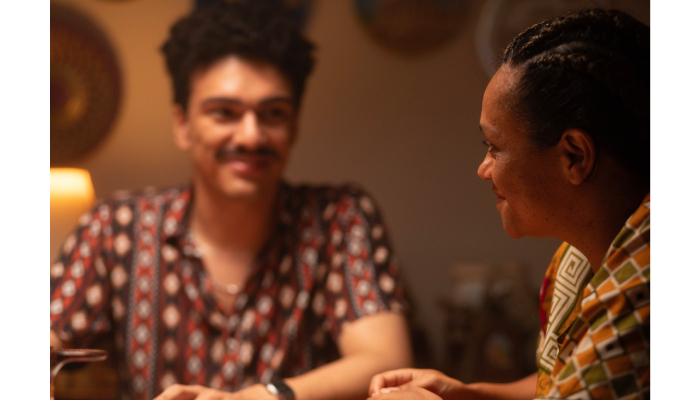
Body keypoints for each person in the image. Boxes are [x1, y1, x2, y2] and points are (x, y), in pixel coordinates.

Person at [49, 2, 413, 400]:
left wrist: (262, 398)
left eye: (272, 113)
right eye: (224, 113)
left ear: (294, 125)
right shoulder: (118, 226)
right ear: (182, 125)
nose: (251, 136)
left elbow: (385, 363)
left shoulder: (339, 218)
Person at [368, 8, 649, 400]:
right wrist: (471, 394)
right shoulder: (581, 257)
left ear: (574, 156)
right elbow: (564, 381)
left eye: (494, 146)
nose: (483, 169)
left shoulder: (643, 292)